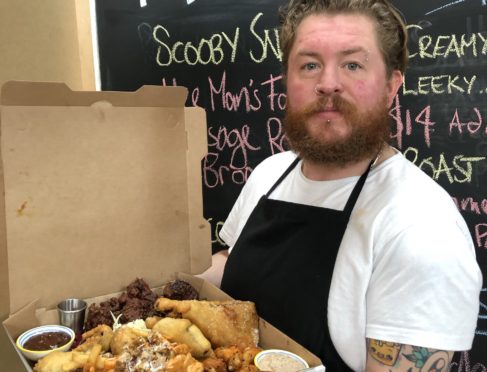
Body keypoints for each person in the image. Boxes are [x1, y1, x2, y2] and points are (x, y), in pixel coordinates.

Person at [201, 0, 483, 370]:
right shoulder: (270, 173)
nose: (328, 83)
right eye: (310, 65)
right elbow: (229, 260)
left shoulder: (421, 228)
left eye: (352, 64)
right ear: (288, 79)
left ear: (391, 86)